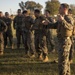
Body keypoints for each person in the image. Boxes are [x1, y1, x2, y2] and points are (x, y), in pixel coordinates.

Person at [43, 3, 74, 75]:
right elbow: (55, 25)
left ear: (65, 9)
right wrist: (47, 24)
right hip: (62, 41)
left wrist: (63, 20)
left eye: (60, 8)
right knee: (65, 61)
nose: (58, 9)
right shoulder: (61, 17)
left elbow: (70, 27)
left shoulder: (69, 18)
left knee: (62, 62)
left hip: (65, 41)